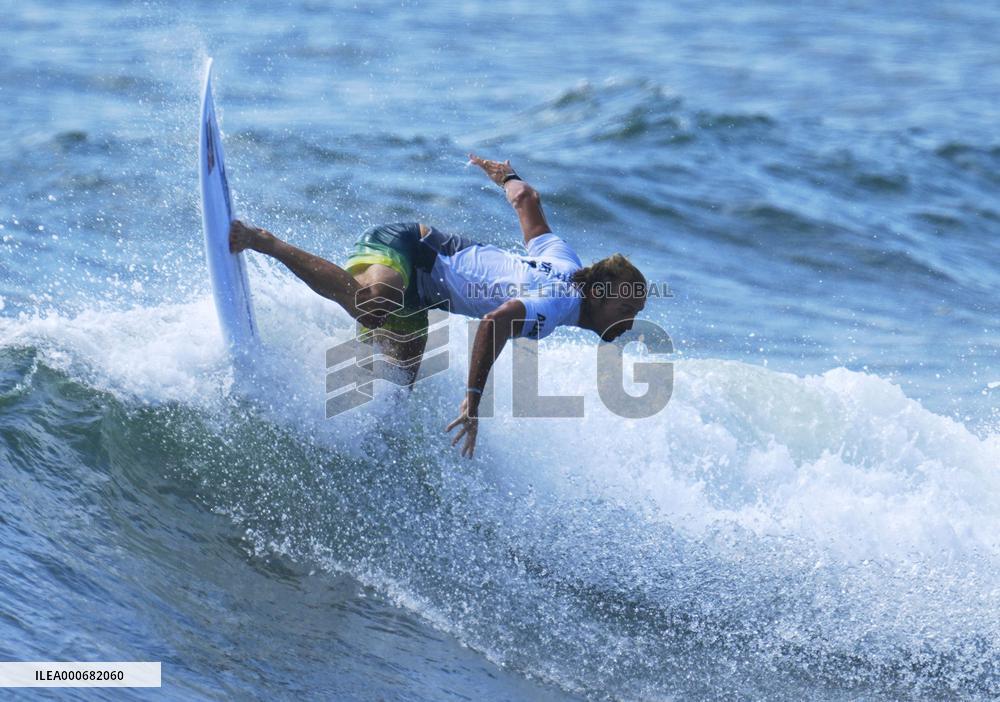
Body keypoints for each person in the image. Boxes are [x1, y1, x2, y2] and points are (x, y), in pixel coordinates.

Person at [229, 154, 646, 457]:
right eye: (627, 311)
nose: (629, 325)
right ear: (601, 296)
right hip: (409, 248)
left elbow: (527, 201)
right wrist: (472, 398)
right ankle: (263, 240)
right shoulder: (556, 306)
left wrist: (506, 175)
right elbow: (494, 321)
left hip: (421, 297)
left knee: (388, 404)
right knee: (372, 306)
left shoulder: (564, 258)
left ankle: (298, 403)